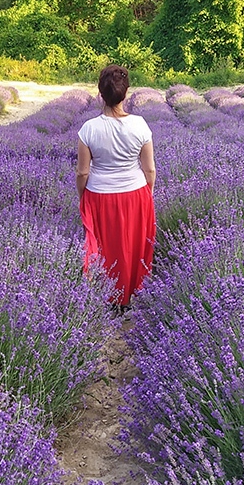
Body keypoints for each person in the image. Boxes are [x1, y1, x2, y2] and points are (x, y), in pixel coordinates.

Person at [77, 64, 156, 307]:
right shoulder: (140, 125)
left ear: (101, 93)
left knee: (104, 249)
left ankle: (106, 298)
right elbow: (149, 168)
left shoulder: (88, 129)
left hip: (101, 196)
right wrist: (147, 193)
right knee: (132, 248)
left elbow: (82, 172)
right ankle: (130, 297)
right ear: (126, 93)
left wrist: (84, 197)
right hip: (135, 194)